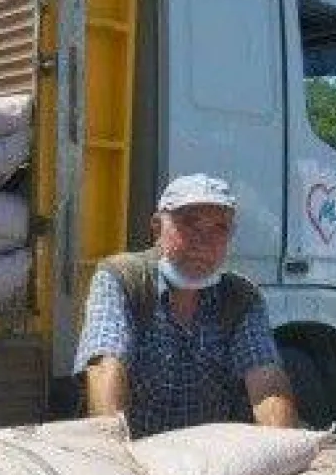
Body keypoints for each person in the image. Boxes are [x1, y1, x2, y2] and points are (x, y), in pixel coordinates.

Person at [74, 173, 298, 436]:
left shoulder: (241, 298)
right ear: (157, 228)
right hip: (138, 450)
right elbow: (105, 366)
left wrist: (282, 449)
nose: (204, 241)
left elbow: (267, 382)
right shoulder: (123, 279)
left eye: (219, 228)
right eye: (189, 223)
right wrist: (115, 453)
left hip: (211, 459)